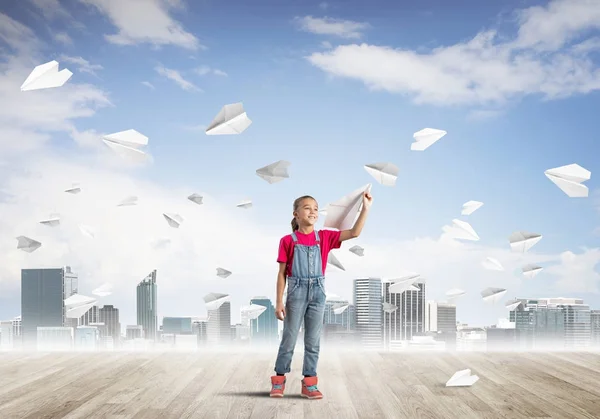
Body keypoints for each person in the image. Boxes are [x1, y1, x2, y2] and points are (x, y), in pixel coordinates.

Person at [270, 191, 373, 399]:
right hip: (296, 292)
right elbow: (281, 274)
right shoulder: (287, 240)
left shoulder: (325, 237)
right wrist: (279, 301)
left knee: (313, 340)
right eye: (307, 208)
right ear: (295, 214)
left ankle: (309, 383)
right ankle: (279, 380)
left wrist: (365, 209)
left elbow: (354, 233)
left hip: (318, 294)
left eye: (316, 209)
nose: (313, 211)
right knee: (289, 338)